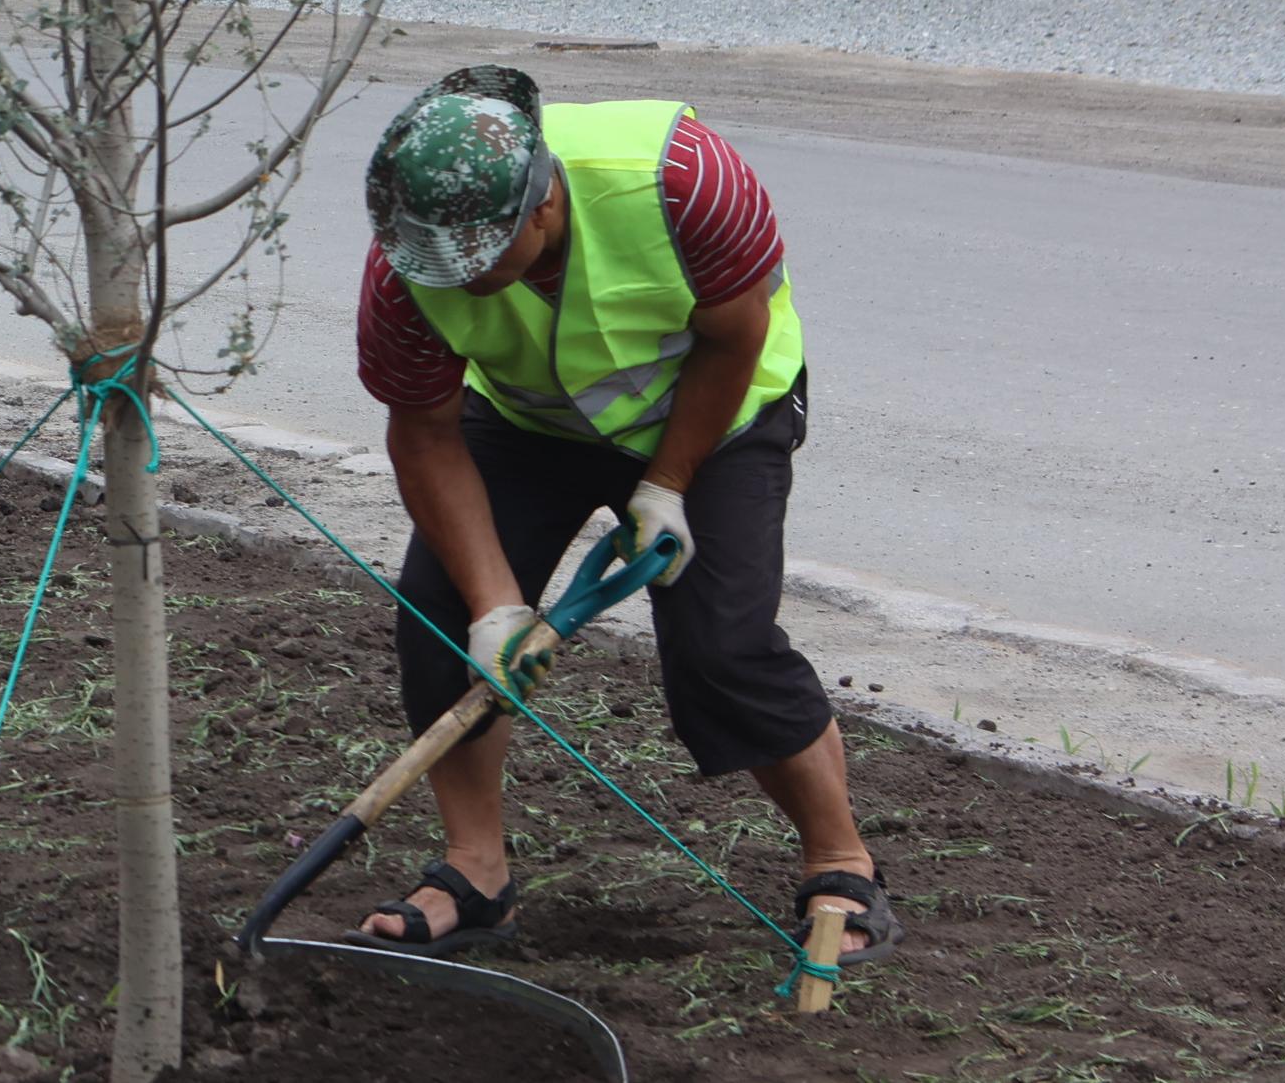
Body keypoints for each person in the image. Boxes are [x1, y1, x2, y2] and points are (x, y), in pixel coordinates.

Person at [346, 65, 898, 967]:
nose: (464, 281)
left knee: (721, 646)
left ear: (542, 208)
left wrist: (669, 484)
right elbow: (425, 433)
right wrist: (494, 607)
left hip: (717, 413)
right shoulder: (411, 262)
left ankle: (842, 859)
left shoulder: (681, 178)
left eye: (482, 261)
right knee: (440, 618)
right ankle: (475, 873)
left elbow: (736, 331)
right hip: (532, 420)